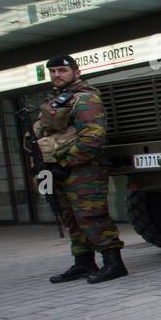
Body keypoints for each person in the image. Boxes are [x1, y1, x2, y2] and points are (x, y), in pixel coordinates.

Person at [31, 54, 128, 284]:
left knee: (91, 216)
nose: (57, 75)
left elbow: (92, 139)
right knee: (71, 217)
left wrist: (63, 163)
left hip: (84, 170)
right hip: (57, 170)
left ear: (76, 72)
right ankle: (83, 262)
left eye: (62, 71)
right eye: (53, 71)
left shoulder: (85, 99)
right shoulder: (54, 101)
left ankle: (114, 263)